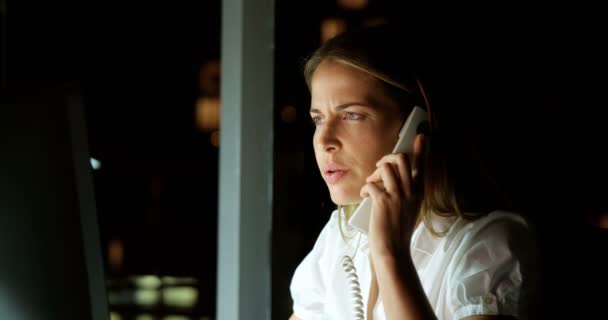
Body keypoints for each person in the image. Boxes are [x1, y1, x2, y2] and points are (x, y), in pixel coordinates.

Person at [288, 23, 538, 320]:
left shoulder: (490, 244)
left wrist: (389, 252)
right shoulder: (341, 236)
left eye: (352, 115)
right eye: (318, 119)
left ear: (418, 126)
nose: (324, 141)